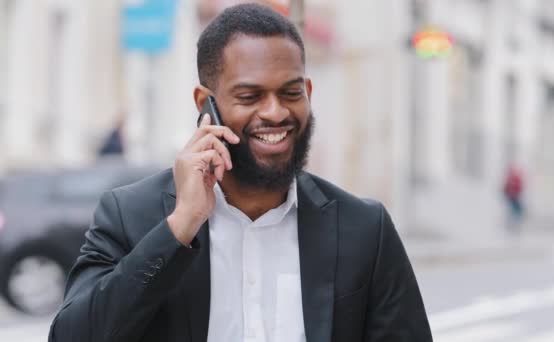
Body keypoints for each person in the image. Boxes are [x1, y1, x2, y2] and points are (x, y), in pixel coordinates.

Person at [49, 4, 432, 342]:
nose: (275, 112)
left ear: (309, 93)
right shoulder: (131, 215)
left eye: (291, 92)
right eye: (249, 96)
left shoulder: (364, 229)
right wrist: (179, 228)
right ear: (205, 105)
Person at [503, 164, 525, 231]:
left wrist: (516, 192)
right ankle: (512, 222)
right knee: (513, 209)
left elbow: (519, 186)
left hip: (515, 196)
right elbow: (505, 187)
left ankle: (516, 222)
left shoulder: (516, 178)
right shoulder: (510, 178)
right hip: (511, 196)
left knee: (517, 209)